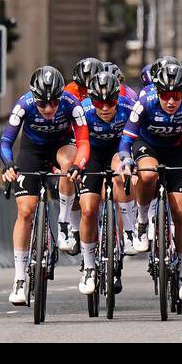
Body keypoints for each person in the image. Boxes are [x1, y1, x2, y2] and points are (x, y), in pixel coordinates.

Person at [118, 59, 182, 302]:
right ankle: (142, 219)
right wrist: (126, 160)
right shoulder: (144, 101)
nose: (170, 101)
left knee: (181, 211)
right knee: (148, 174)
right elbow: (126, 141)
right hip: (146, 146)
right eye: (165, 95)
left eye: (176, 95)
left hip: (176, 150)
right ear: (157, 91)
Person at [0, 67, 90, 305]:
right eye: (43, 104)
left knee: (67, 165)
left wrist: (78, 166)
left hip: (63, 146)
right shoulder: (24, 105)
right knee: (25, 211)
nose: (49, 109)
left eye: (54, 103)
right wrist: (8, 164)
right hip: (33, 150)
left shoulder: (72, 104)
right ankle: (19, 278)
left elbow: (83, 142)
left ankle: (63, 223)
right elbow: (7, 141)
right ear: (34, 98)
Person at [75, 69, 136, 295]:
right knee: (89, 209)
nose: (105, 108)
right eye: (98, 102)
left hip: (117, 152)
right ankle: (89, 265)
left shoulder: (129, 108)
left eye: (110, 102)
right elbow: (74, 143)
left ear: (117, 98)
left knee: (122, 177)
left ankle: (127, 235)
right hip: (91, 154)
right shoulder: (82, 111)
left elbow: (136, 140)